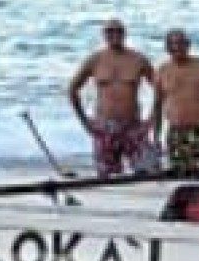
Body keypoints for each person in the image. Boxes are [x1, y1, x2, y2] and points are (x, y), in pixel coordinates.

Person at [67, 18, 157, 177]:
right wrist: (84, 120)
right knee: (106, 176)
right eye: (110, 31)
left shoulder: (138, 60)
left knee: (148, 171)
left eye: (118, 31)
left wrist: (151, 120)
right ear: (104, 35)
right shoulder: (95, 60)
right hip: (104, 126)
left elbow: (160, 90)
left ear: (125, 34)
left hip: (133, 125)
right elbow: (72, 89)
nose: (114, 34)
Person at [153, 30, 199, 178]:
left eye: (181, 43)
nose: (177, 47)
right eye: (173, 44)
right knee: (179, 176)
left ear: (188, 45)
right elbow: (157, 105)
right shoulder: (163, 70)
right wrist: (156, 136)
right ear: (167, 48)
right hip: (176, 133)